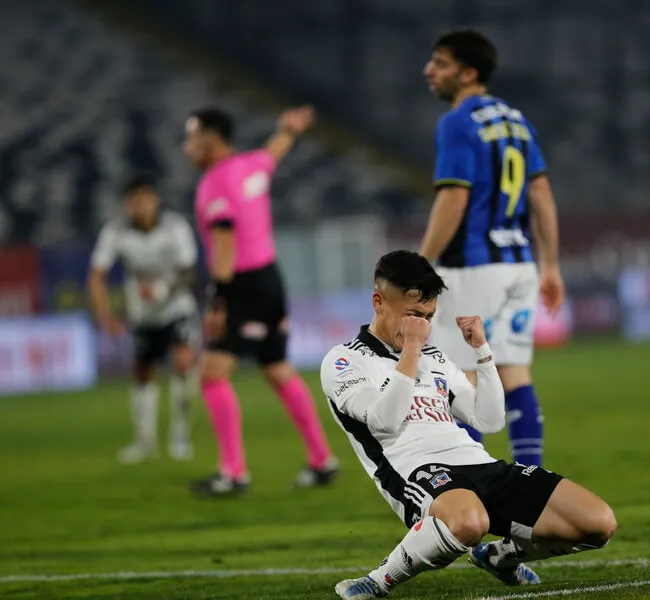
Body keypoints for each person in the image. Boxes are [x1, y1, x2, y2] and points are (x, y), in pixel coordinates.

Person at [321, 250, 615, 600]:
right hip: (418, 469)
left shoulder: (435, 358)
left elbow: (488, 420)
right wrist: (412, 350)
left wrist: (483, 352)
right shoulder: (344, 360)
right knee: (470, 522)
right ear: (378, 301)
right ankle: (378, 581)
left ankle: (498, 555)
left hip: (478, 464)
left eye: (428, 317)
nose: (421, 326)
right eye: (413, 315)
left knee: (598, 524)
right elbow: (385, 422)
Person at [419, 29, 564, 468]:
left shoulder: (457, 122)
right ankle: (531, 480)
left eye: (440, 63)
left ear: (469, 73)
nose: (429, 70)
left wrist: (421, 264)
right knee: (514, 374)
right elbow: (540, 193)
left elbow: (454, 197)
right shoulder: (517, 121)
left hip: (472, 267)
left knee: (460, 381)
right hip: (520, 264)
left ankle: (478, 494)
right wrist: (551, 266)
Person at [183, 105, 338, 496]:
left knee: (212, 375)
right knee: (276, 367)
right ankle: (322, 459)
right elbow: (274, 153)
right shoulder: (252, 165)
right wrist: (288, 129)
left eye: (191, 136)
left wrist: (216, 301)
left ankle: (233, 472)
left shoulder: (215, 182)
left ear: (210, 140)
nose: (187, 146)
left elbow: (223, 240)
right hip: (271, 278)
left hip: (240, 283)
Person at [88, 173, 199, 465]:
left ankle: (179, 432)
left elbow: (189, 271)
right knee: (141, 372)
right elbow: (97, 275)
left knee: (183, 364)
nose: (139, 207)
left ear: (155, 201)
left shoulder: (175, 227)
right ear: (127, 205)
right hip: (142, 315)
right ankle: (145, 440)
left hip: (177, 308)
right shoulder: (116, 232)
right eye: (133, 203)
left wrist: (163, 289)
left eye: (144, 201)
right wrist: (104, 314)